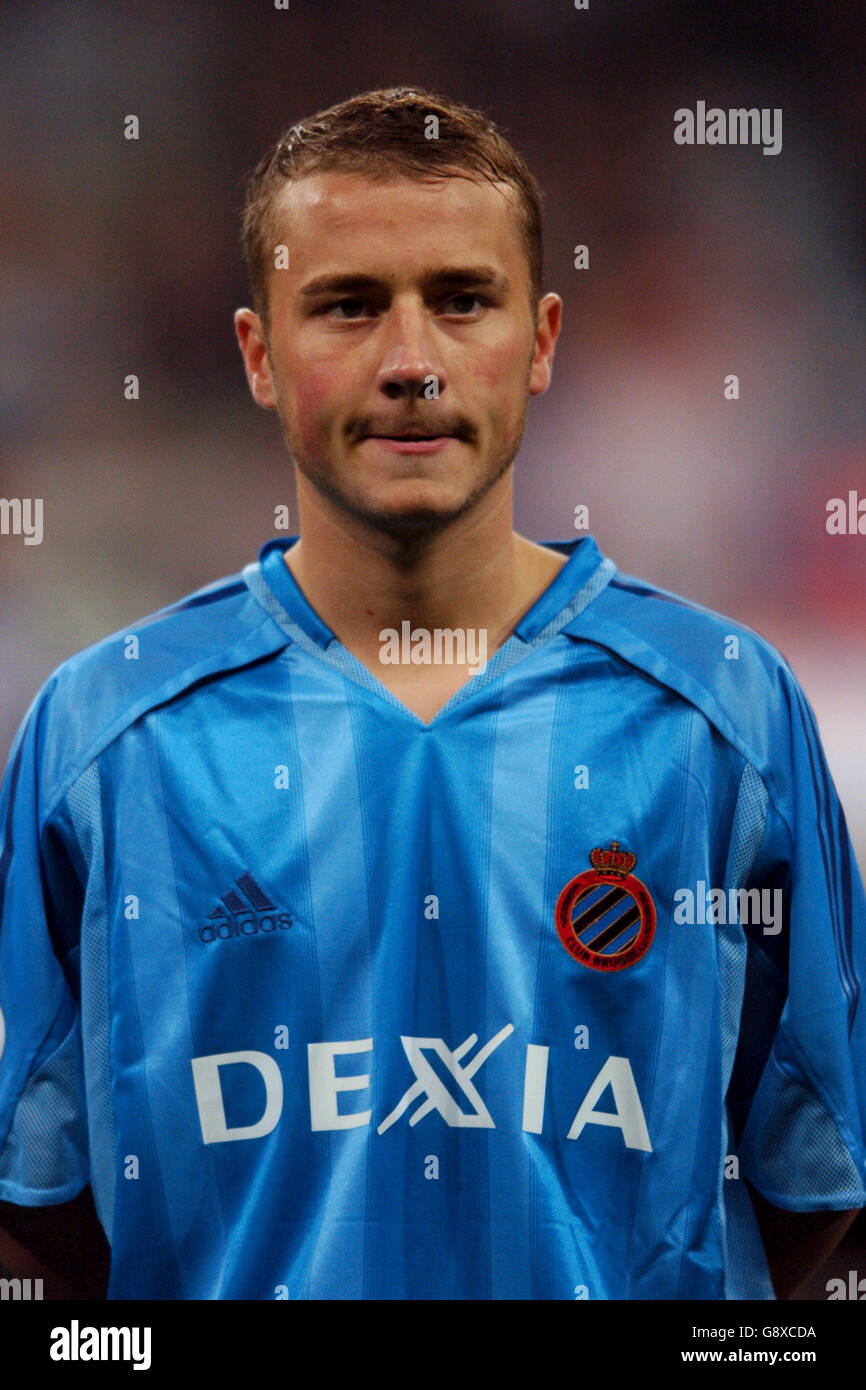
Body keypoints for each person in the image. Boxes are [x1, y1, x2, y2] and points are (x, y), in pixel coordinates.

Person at [0, 86, 863, 1301]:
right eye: (348, 307)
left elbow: (817, 1202)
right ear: (258, 352)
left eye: (461, 301)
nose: (411, 364)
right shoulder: (105, 739)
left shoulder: (726, 720)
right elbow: (39, 1227)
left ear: (545, 337)